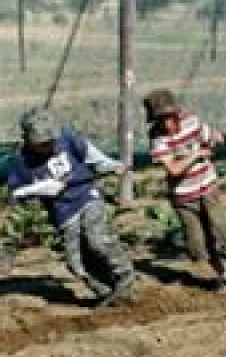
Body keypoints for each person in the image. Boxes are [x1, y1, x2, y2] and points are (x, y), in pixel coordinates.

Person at [7, 107, 136, 305]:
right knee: (76, 264)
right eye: (43, 144)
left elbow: (95, 159)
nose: (49, 146)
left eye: (51, 141)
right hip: (63, 213)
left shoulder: (68, 139)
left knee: (97, 240)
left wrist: (112, 166)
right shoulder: (21, 162)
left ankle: (124, 276)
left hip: (86, 198)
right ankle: (108, 291)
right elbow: (16, 192)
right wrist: (41, 189)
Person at [144, 89, 226, 286]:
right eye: (160, 120)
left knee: (222, 229)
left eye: (169, 118)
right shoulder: (156, 136)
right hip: (183, 196)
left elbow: (215, 135)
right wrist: (196, 155)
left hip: (207, 187)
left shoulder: (192, 122)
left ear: (176, 113)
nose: (166, 124)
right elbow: (173, 169)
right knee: (198, 245)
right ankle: (223, 276)